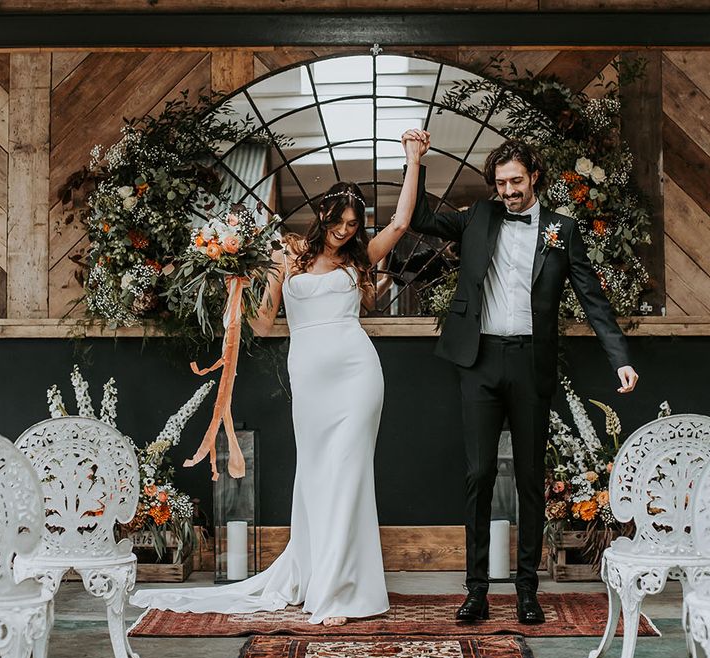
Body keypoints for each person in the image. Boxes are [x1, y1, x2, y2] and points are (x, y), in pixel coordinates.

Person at [130, 135, 427, 627]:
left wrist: (414, 160)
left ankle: (339, 589)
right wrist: (237, 284)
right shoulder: (286, 256)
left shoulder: (360, 260)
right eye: (338, 222)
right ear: (323, 216)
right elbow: (265, 325)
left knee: (350, 475)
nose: (344, 231)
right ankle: (316, 575)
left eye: (352, 225)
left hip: (358, 374)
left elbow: (399, 222)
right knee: (315, 476)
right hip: (310, 377)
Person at [401, 133, 639, 625]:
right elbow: (421, 217)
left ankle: (528, 590)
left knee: (531, 479)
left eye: (515, 181)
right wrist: (414, 160)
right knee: (478, 474)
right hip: (480, 359)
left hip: (532, 362)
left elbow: (592, 299)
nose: (507, 190)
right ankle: (476, 590)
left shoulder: (562, 230)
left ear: (534, 177)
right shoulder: (477, 218)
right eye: (500, 182)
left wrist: (619, 357)